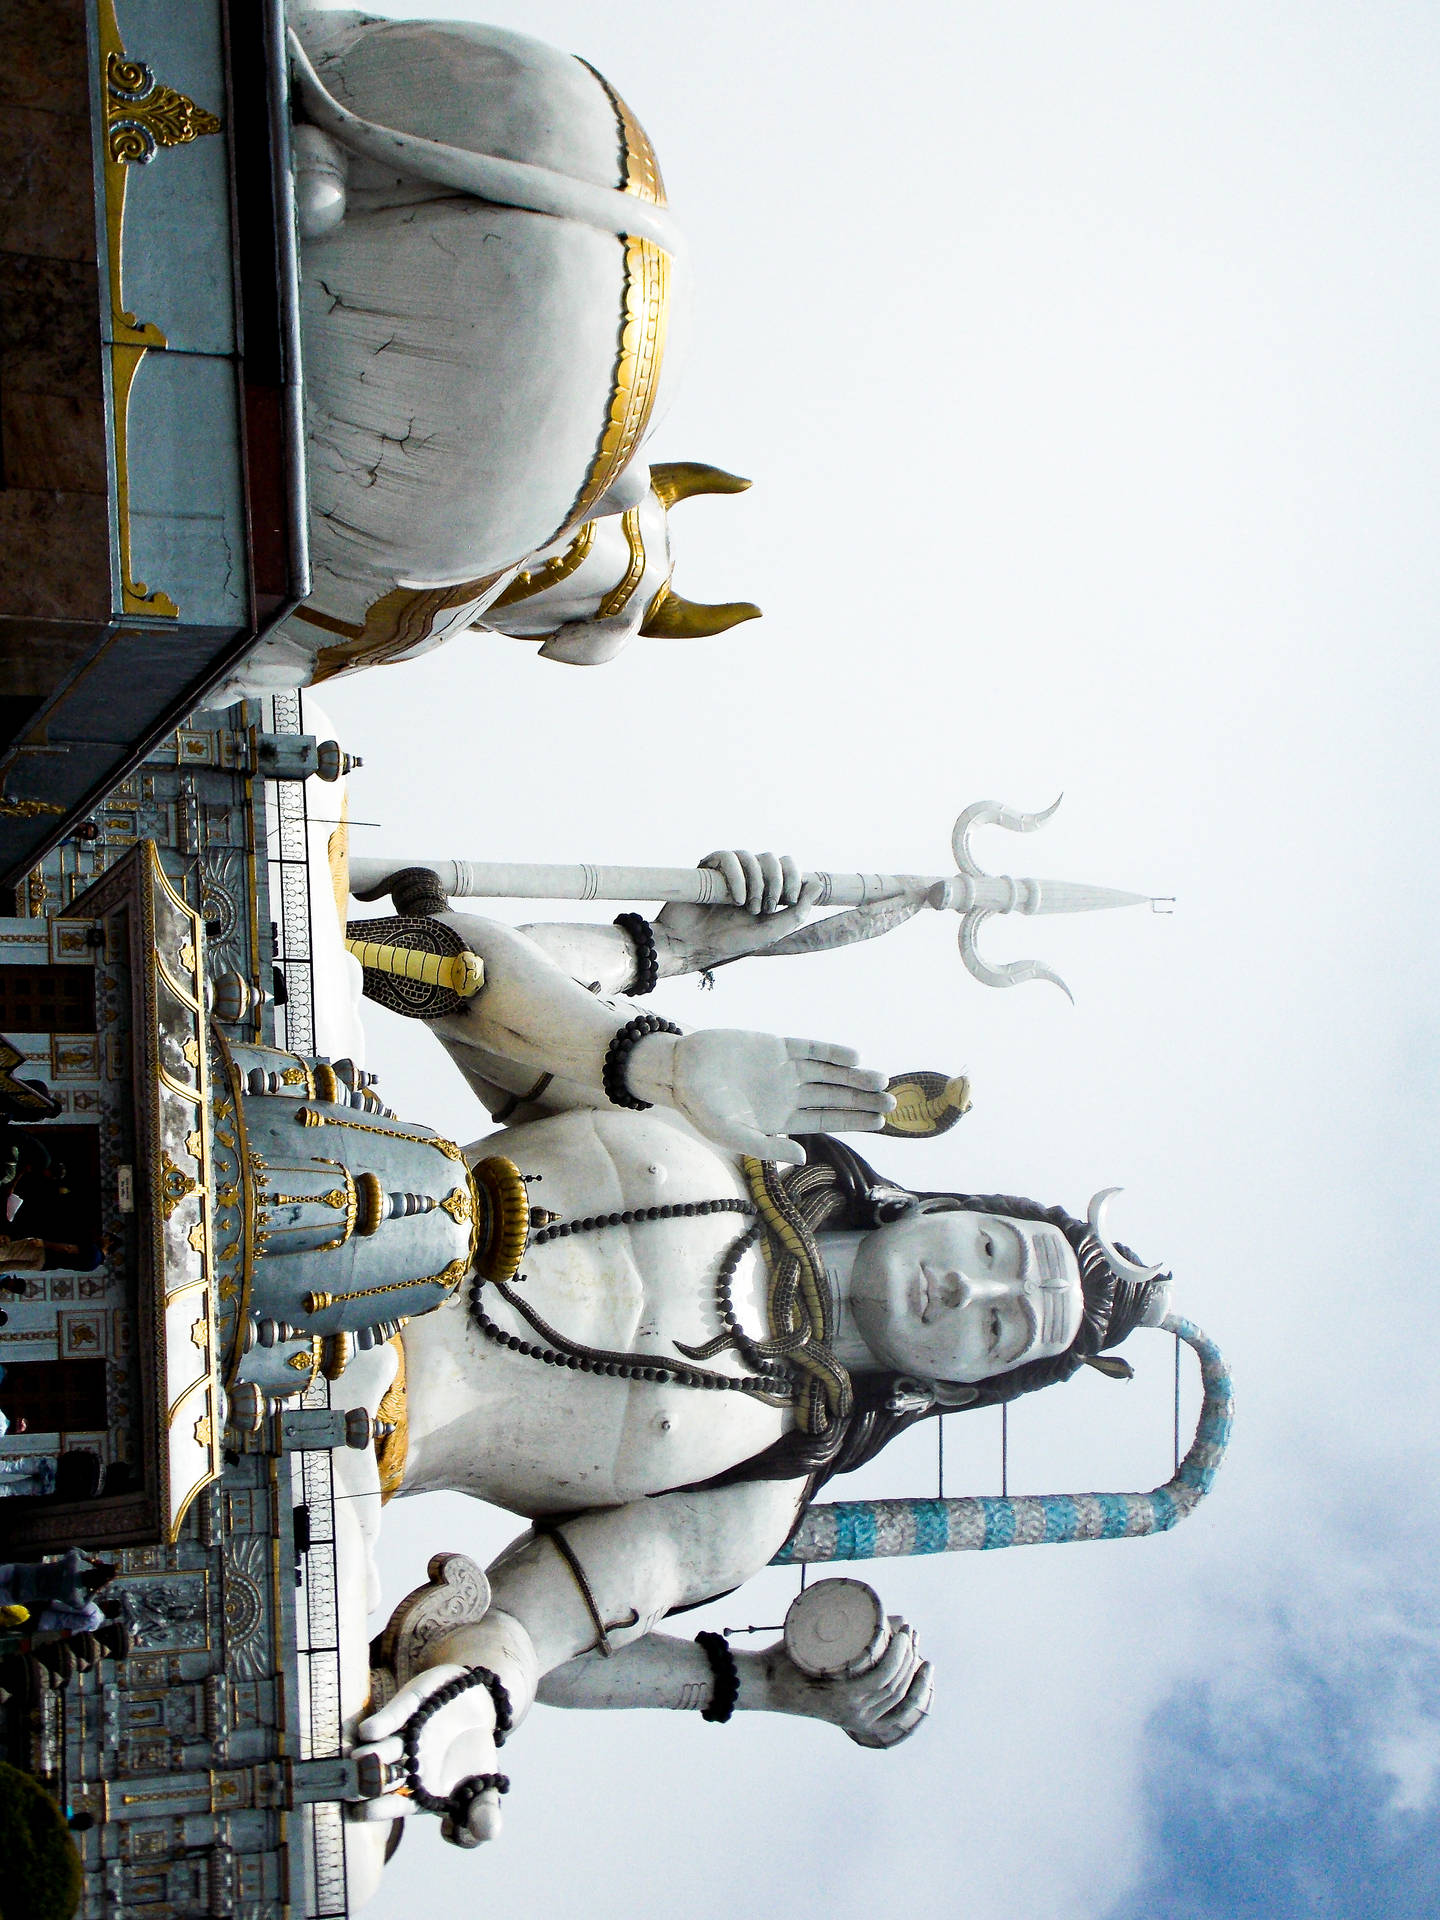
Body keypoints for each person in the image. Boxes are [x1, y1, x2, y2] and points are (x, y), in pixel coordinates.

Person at [330, 856, 1174, 1894]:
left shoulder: (757, 1494)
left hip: (319, 1425)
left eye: (1002, 1332)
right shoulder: (723, 1127)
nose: (968, 1293)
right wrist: (658, 973)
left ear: (960, 1389)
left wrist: (482, 1701)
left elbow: (540, 1629)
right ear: (948, 1206)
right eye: (999, 1254)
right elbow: (478, 979)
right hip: (315, 1179)